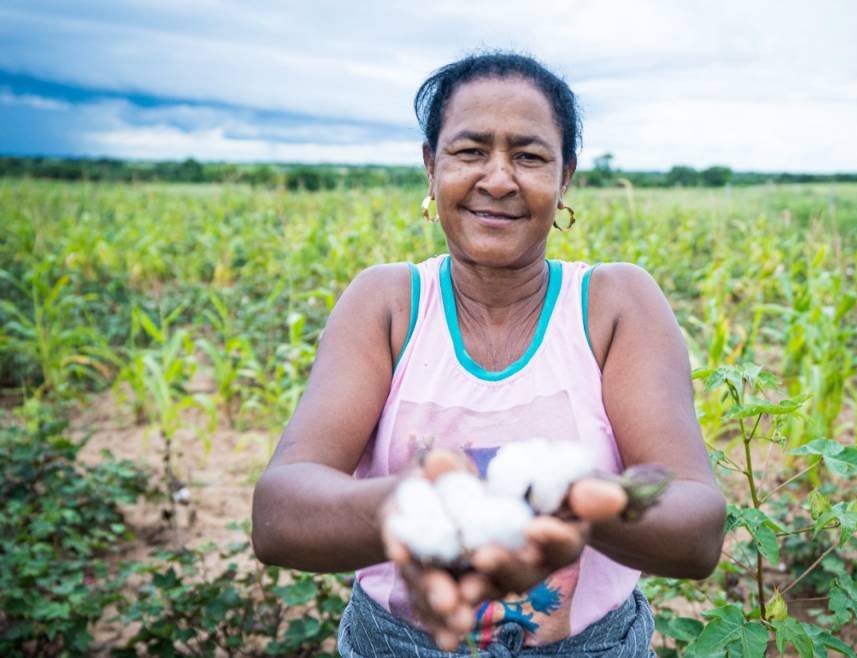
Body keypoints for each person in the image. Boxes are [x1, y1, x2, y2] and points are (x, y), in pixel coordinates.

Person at [251, 51, 726, 657]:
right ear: (431, 166)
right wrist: (420, 508)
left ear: (566, 177)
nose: (498, 179)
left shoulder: (614, 305)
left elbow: (697, 530)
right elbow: (279, 513)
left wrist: (575, 500)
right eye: (470, 151)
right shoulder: (389, 304)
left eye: (528, 156)